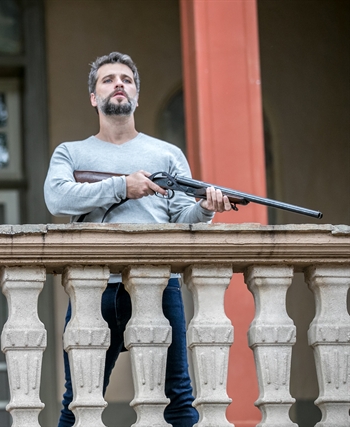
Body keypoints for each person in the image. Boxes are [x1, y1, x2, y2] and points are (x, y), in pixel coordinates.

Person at [43, 52, 232, 427]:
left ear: (136, 96)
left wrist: (207, 210)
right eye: (108, 79)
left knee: (178, 396)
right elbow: (57, 197)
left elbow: (183, 220)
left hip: (161, 286)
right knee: (79, 398)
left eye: (126, 79)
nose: (118, 84)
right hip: (91, 289)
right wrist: (122, 187)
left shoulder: (167, 154)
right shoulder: (71, 152)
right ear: (94, 98)